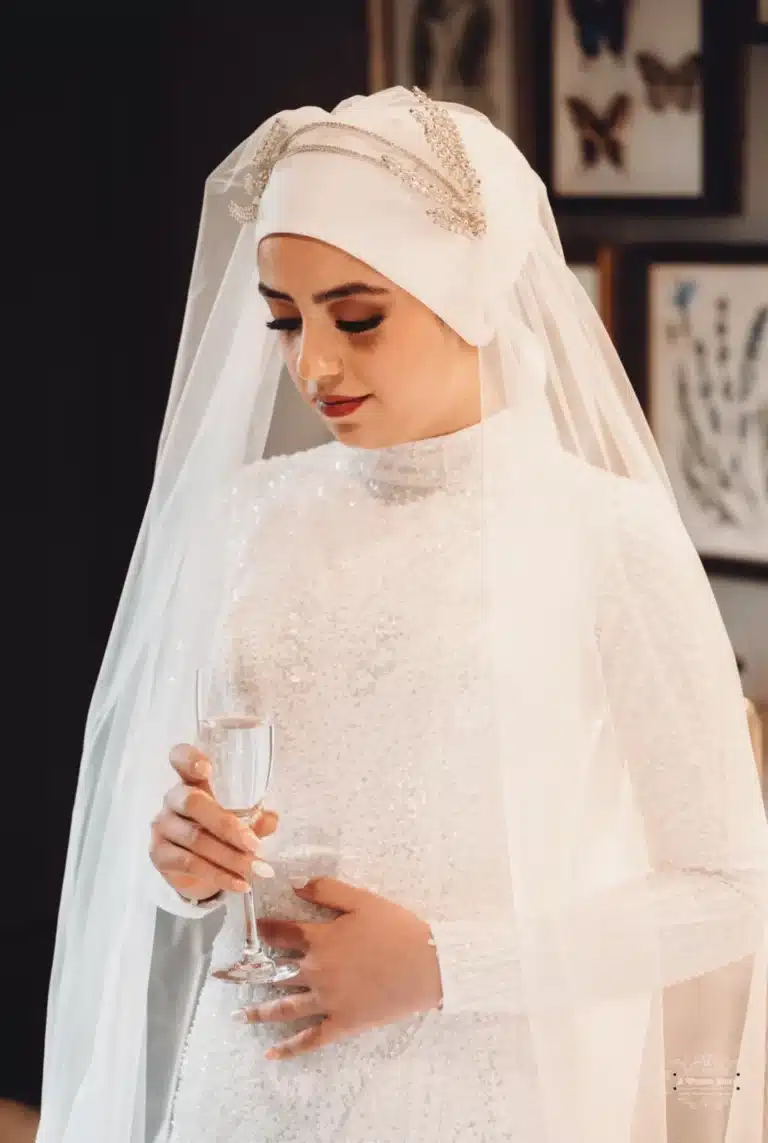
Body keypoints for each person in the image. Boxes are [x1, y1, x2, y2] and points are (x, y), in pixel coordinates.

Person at [38, 87, 768, 1143]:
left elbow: (729, 889)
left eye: (358, 317)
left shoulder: (603, 535)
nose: (313, 366)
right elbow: (198, 834)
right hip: (250, 1081)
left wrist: (441, 967)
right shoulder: (249, 517)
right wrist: (187, 865)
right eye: (284, 322)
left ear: (469, 293)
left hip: (489, 1095)